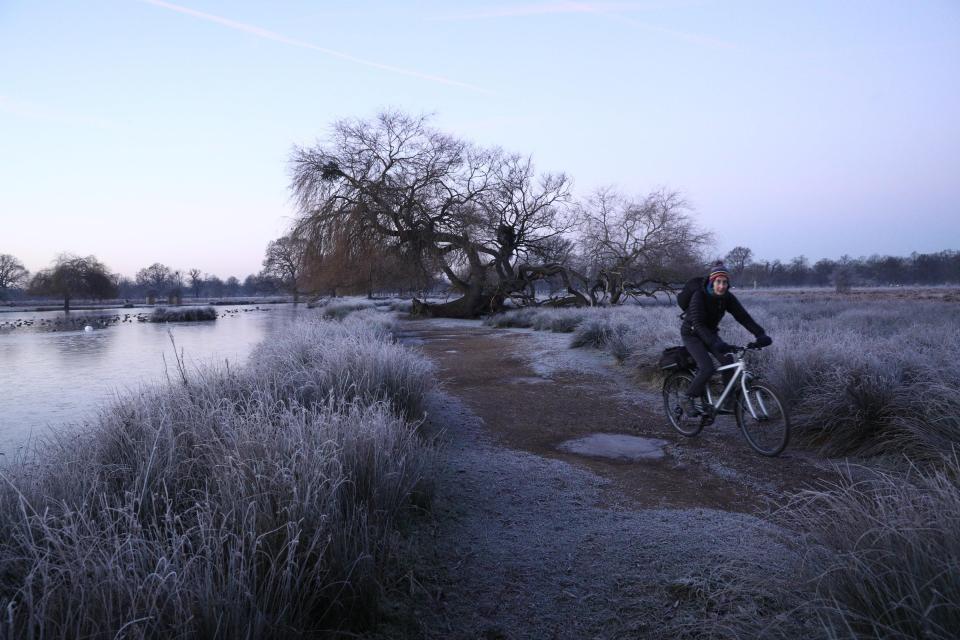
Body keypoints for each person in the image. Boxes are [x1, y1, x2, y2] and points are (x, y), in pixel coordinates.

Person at [681, 262, 771, 416]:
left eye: (725, 282)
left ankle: (729, 401)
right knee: (707, 367)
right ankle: (688, 398)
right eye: (718, 282)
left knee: (729, 361)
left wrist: (760, 334)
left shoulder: (727, 298)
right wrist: (716, 343)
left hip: (710, 333)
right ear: (712, 281)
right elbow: (698, 324)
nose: (722, 286)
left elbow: (743, 317)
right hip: (692, 334)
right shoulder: (699, 296)